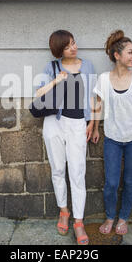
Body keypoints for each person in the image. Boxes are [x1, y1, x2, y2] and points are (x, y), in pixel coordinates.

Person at [91, 29, 132, 235]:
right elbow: (97, 105)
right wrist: (93, 127)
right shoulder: (103, 78)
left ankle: (123, 218)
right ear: (117, 55)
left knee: (129, 181)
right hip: (112, 138)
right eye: (130, 52)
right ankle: (110, 216)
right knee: (110, 183)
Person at [36, 30, 96, 245]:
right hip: (54, 123)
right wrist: (56, 81)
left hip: (78, 124)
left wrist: (93, 123)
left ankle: (79, 222)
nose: (74, 47)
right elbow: (38, 94)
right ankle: (64, 211)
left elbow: (93, 96)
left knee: (78, 172)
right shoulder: (50, 67)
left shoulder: (87, 66)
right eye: (68, 45)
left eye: (74, 43)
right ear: (59, 50)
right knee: (58, 169)